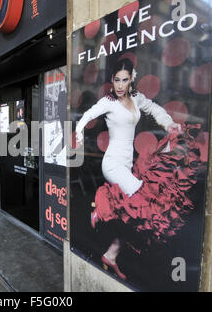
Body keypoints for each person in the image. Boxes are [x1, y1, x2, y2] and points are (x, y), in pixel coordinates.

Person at [75, 58, 204, 280]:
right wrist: (77, 134)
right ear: (112, 80)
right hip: (113, 163)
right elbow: (88, 115)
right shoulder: (109, 102)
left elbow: (153, 108)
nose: (120, 85)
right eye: (116, 80)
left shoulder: (136, 99)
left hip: (127, 165)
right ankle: (102, 210)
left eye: (125, 80)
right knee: (145, 202)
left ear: (131, 79)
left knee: (138, 216)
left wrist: (168, 123)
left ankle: (110, 255)